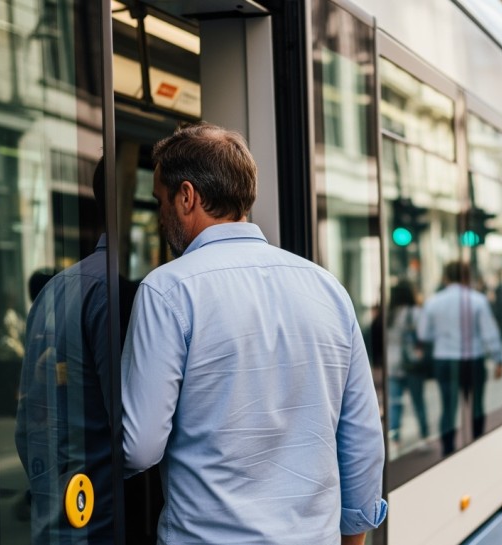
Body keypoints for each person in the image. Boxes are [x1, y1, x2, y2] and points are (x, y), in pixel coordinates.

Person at [121, 123, 387, 545]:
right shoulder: (327, 288)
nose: (160, 215)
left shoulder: (167, 290)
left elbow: (138, 448)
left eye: (160, 201)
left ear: (186, 196)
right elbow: (361, 436)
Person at [15, 157, 139, 544]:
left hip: (58, 513)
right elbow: (133, 436)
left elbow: (26, 424)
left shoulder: (53, 290)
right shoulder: (115, 294)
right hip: (99, 518)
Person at [417, 260, 502, 456]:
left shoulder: (433, 302)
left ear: (446, 277)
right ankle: (477, 443)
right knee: (476, 404)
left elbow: (424, 334)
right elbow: (489, 333)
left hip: (444, 359)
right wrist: (499, 359)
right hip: (472, 359)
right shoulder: (478, 300)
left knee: (447, 407)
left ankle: (448, 450)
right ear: (467, 276)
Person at [386, 279, 430, 453]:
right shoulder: (415, 313)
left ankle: (395, 440)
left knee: (395, 404)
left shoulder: (389, 314)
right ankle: (424, 437)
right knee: (418, 402)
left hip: (392, 364)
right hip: (411, 363)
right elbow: (424, 335)